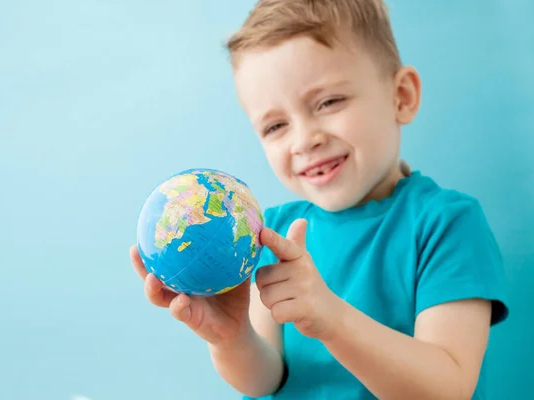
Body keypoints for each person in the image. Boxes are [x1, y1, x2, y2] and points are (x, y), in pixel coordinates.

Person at [130, 0, 509, 398]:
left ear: (401, 97)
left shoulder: (446, 223)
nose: (304, 139)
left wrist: (330, 319)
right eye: (276, 125)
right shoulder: (265, 233)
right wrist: (232, 340)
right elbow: (265, 379)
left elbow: (448, 389)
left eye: (328, 103)